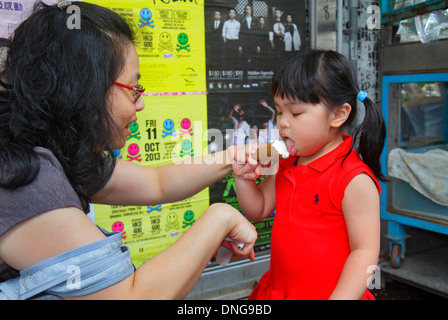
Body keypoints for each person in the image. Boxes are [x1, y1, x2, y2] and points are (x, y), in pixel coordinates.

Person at [0, 2, 257, 300]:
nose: (141, 103)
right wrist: (221, 217)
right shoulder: (23, 178)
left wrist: (237, 155)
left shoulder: (56, 151)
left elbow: (157, 182)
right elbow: (131, 296)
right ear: (85, 88)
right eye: (133, 89)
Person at [232, 49, 387, 300]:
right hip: (279, 291)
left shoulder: (354, 179)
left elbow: (365, 252)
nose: (282, 122)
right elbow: (258, 210)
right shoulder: (287, 161)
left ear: (338, 115)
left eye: (295, 113)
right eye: (279, 111)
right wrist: (242, 177)